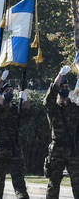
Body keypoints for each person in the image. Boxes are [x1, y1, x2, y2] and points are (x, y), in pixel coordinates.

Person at [0, 75, 30, 199]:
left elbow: (28, 112)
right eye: (7, 91)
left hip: (14, 150)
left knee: (19, 184)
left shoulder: (16, 110)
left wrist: (25, 96)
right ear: (1, 94)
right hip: (0, 150)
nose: (10, 93)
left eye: (11, 91)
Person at [43, 65, 79, 198]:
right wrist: (60, 75)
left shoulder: (74, 109)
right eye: (62, 88)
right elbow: (48, 99)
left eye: (66, 87)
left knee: (77, 183)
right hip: (57, 149)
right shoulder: (53, 109)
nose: (64, 89)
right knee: (53, 184)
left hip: (73, 150)